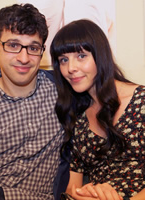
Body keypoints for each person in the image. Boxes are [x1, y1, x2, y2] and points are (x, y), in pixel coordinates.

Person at [0, 4, 69, 200]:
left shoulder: (63, 89)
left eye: (33, 48)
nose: (24, 58)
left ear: (42, 51)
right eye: (13, 45)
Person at [50, 19, 145, 200]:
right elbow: (73, 185)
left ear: (100, 56)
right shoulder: (79, 117)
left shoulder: (141, 101)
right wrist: (84, 194)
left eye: (81, 56)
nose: (70, 68)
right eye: (63, 60)